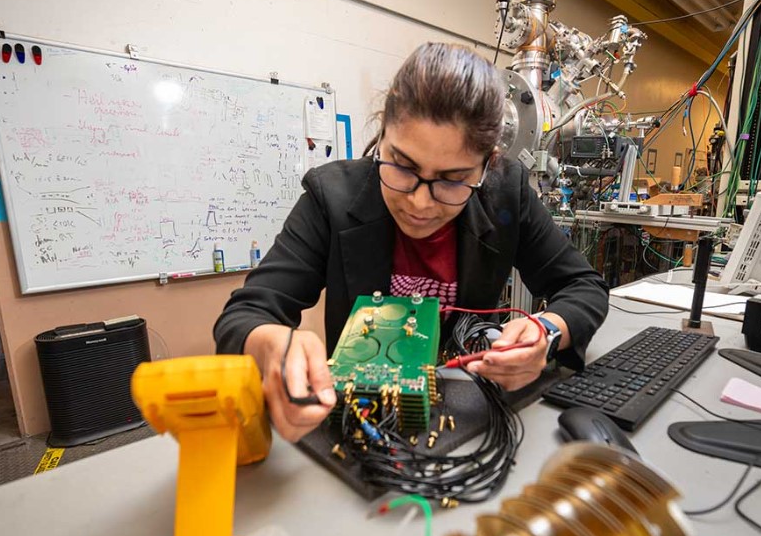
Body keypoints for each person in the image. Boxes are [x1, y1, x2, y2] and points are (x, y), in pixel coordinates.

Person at [215, 42, 609, 442]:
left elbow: (583, 287)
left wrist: (547, 332)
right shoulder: (330, 197)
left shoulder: (508, 193)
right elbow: (244, 315)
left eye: (452, 179)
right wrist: (270, 345)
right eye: (403, 167)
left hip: (471, 417)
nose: (420, 203)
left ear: (487, 165)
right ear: (382, 134)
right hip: (365, 418)